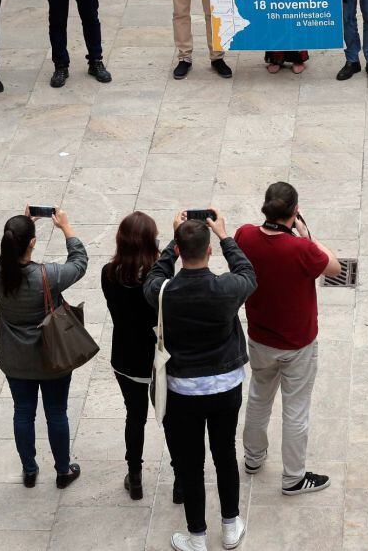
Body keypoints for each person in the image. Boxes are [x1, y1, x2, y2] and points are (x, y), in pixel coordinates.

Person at [143, 209, 256, 551]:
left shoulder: (164, 292)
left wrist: (171, 246)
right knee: (224, 453)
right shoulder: (227, 289)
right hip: (225, 387)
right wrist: (225, 236)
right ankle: (231, 524)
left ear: (179, 250)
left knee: (190, 464)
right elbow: (248, 272)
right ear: (209, 251)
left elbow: (153, 277)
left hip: (181, 392)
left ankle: (196, 536)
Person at [235, 183, 340, 496]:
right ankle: (293, 477)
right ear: (294, 212)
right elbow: (334, 268)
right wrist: (308, 237)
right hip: (298, 344)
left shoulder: (244, 235)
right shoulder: (302, 250)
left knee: (258, 396)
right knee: (295, 410)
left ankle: (253, 458)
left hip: (259, 338)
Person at [0, 208, 87, 489]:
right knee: (56, 412)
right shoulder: (49, 275)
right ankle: (63, 470)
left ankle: (29, 470)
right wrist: (66, 228)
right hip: (51, 356)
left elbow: (7, 258)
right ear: (32, 243)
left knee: (23, 412)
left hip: (15, 358)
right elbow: (79, 263)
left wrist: (21, 226)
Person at [101, 212, 161, 501]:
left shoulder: (108, 273)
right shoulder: (158, 279)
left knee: (135, 417)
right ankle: (180, 482)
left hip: (126, 357)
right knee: (172, 418)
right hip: (159, 359)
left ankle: (135, 476)